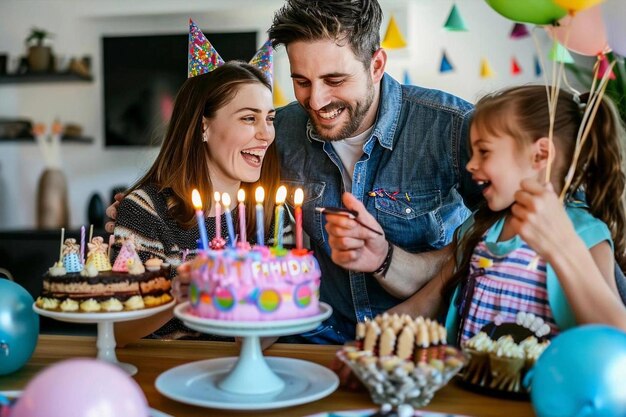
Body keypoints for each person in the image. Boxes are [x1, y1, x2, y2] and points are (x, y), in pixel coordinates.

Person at [107, 0, 481, 344]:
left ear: (377, 65)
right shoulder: (281, 131)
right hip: (310, 343)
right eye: (301, 81)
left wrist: (429, 282)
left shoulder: (451, 127)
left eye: (334, 80)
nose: (316, 102)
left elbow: (501, 231)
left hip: (416, 341)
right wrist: (139, 210)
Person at [326, 85, 626, 345]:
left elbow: (615, 337)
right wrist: (366, 340)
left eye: (484, 152)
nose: (470, 165)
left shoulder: (585, 235)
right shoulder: (483, 228)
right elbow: (425, 304)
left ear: (540, 155)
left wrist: (565, 250)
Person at [112, 61, 282, 346]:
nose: (266, 134)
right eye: (249, 119)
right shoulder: (145, 210)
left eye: (270, 118)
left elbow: (279, 315)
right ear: (204, 126)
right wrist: (180, 293)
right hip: (165, 372)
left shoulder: (271, 212)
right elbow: (119, 331)